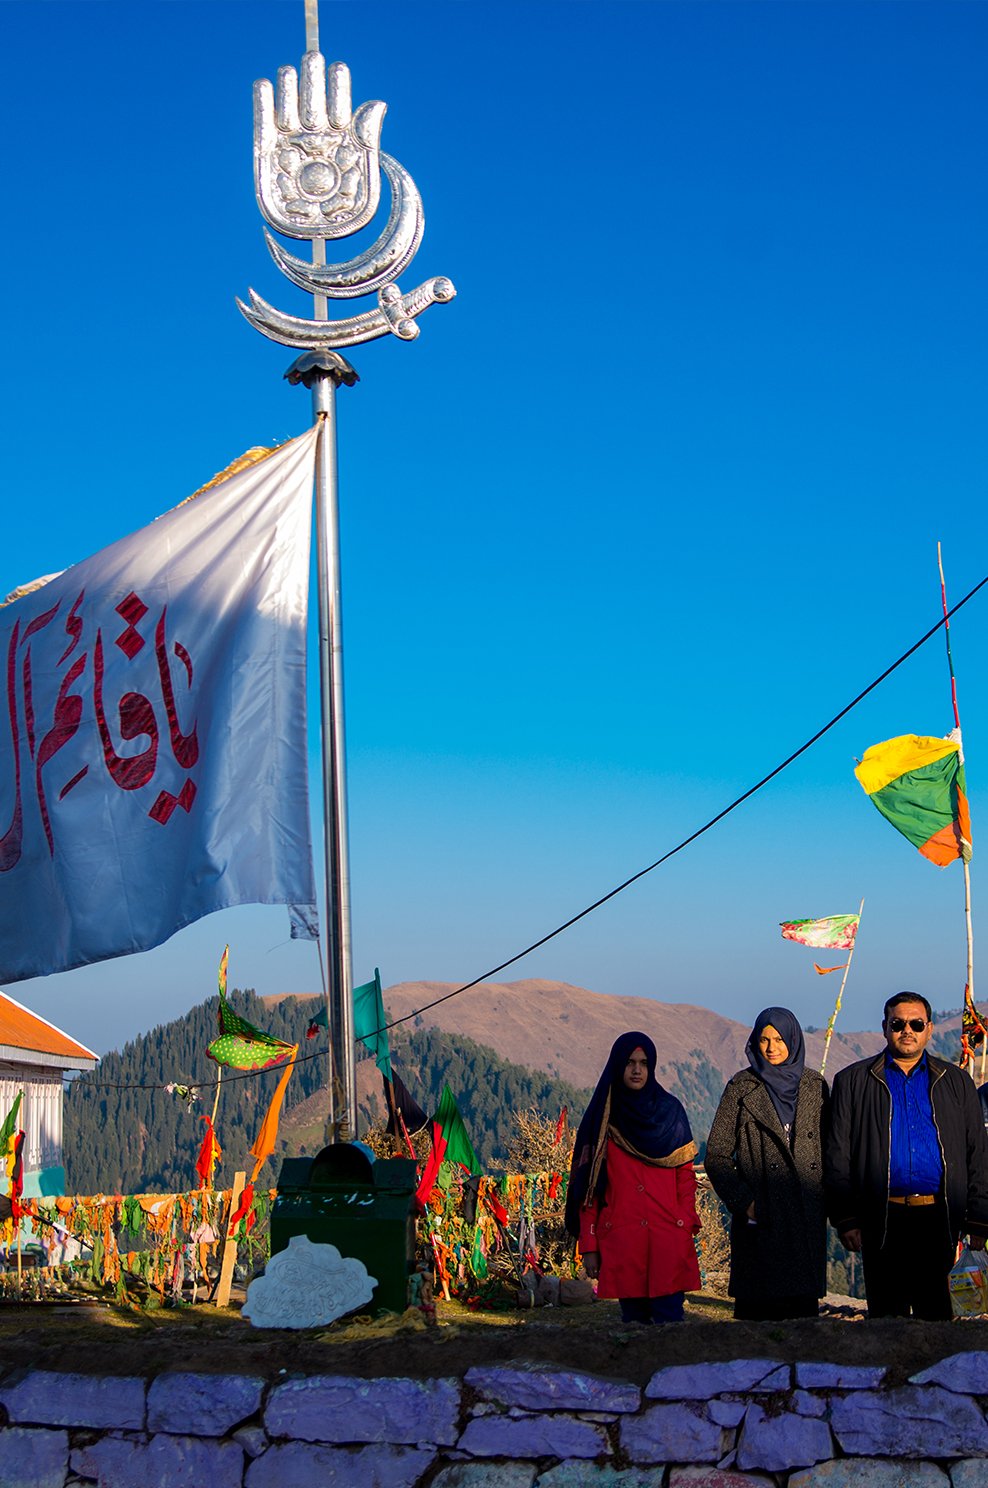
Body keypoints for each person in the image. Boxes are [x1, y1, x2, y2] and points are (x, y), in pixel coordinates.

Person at [825, 991, 988, 1320]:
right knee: (886, 1321)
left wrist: (978, 1219)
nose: (907, 1030)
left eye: (916, 1023)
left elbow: (978, 1154)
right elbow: (837, 1157)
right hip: (881, 1221)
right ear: (885, 1027)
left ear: (929, 1029)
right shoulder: (853, 1082)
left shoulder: (956, 1082)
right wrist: (845, 1219)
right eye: (898, 1023)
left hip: (940, 1220)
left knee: (938, 1320)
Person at [564, 1031, 700, 1323]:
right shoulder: (603, 1119)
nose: (637, 1070)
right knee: (634, 1331)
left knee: (670, 1328)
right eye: (629, 1062)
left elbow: (685, 1177)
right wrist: (589, 1245)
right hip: (624, 1241)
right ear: (617, 1065)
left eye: (644, 1062)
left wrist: (684, 1220)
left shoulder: (671, 1112)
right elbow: (590, 1188)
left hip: (668, 1238)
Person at [705, 1007, 829, 1320]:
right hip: (760, 1221)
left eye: (779, 1039)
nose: (772, 1047)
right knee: (755, 1329)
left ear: (793, 1040)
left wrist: (824, 1200)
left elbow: (831, 1151)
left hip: (805, 1218)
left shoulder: (815, 1087)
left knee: (803, 1330)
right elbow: (717, 1154)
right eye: (764, 1039)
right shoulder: (742, 1088)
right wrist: (745, 1202)